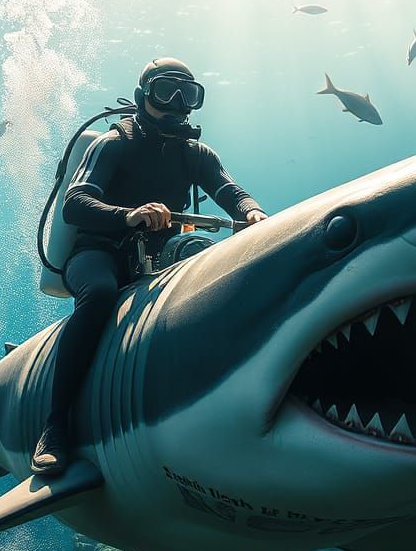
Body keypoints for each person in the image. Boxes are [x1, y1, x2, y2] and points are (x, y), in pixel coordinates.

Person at [32, 57, 267, 475]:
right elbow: (75, 202)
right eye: (165, 91)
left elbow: (230, 190)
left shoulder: (197, 155)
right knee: (101, 294)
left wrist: (252, 214)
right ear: (144, 97)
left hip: (158, 259)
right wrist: (129, 214)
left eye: (187, 94)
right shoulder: (113, 143)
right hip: (97, 253)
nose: (177, 103)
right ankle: (55, 425)